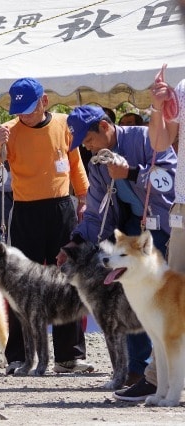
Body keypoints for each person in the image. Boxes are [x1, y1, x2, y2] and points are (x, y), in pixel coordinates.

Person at [58, 105, 176, 395]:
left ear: (104, 126)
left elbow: (172, 180)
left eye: (88, 138)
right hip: (130, 231)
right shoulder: (96, 162)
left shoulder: (146, 138)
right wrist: (76, 240)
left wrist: (131, 173)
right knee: (129, 294)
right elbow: (98, 213)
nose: (85, 146)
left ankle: (160, 372)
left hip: (165, 227)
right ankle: (139, 369)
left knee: (162, 300)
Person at [0, 77, 92, 375]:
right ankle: (18, 355)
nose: (24, 115)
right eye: (19, 110)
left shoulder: (64, 124)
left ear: (45, 101)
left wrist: (83, 198)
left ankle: (69, 356)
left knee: (66, 280)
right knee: (20, 285)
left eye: (29, 109)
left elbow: (75, 163)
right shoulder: (9, 131)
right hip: (25, 212)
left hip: (61, 208)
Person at [116, 63, 185, 402]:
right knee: (171, 300)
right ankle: (159, 379)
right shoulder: (183, 88)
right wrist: (159, 107)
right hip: (183, 207)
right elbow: (161, 141)